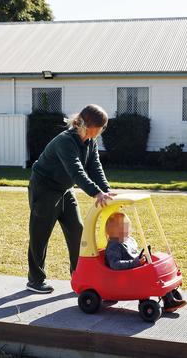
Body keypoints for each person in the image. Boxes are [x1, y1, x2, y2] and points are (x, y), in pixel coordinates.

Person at [26, 104, 116, 294]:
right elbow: (76, 171)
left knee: (78, 231)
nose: (102, 131)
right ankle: (35, 280)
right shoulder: (65, 141)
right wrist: (96, 193)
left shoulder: (90, 141)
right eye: (102, 127)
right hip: (44, 188)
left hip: (65, 189)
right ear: (89, 125)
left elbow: (95, 168)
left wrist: (106, 191)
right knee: (40, 234)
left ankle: (79, 276)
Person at [104, 212, 187, 312]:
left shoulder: (129, 240)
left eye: (128, 228)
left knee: (157, 266)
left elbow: (134, 253)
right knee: (152, 275)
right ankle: (166, 301)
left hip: (136, 268)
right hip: (126, 275)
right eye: (124, 229)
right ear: (114, 231)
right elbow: (115, 265)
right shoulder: (114, 246)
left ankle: (169, 296)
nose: (128, 231)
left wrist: (143, 256)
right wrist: (135, 263)